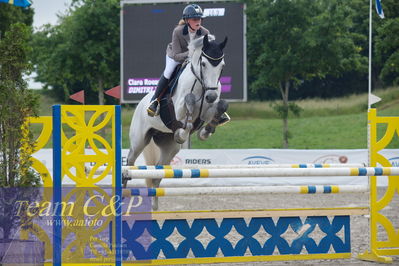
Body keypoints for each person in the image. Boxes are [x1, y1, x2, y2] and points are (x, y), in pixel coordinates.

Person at [147, 4, 209, 116]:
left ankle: (215, 105)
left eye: (199, 19)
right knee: (168, 72)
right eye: (195, 19)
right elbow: (176, 55)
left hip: (194, 58)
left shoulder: (205, 33)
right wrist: (191, 53)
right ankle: (155, 101)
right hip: (175, 56)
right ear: (187, 20)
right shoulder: (178, 31)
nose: (198, 21)